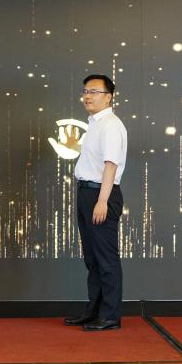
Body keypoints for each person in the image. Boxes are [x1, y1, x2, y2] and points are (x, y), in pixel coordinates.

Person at [63, 73, 128, 331]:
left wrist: (102, 201)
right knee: (92, 258)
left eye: (94, 92)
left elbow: (111, 165)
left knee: (106, 258)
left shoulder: (110, 124)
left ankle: (110, 316)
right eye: (85, 91)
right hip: (87, 193)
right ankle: (94, 311)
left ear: (108, 97)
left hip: (101, 194)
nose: (87, 96)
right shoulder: (95, 124)